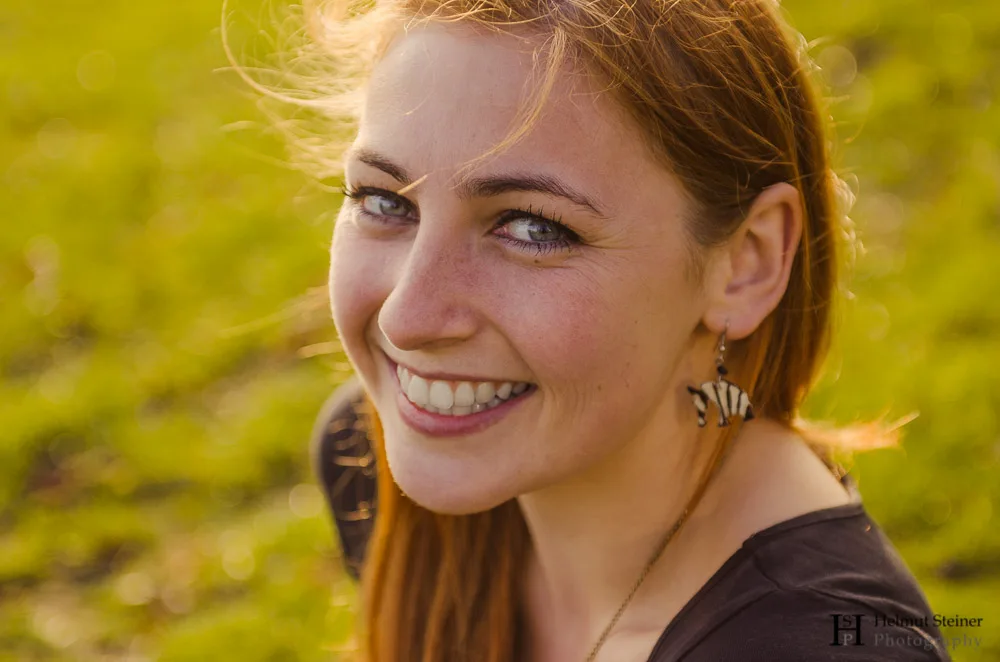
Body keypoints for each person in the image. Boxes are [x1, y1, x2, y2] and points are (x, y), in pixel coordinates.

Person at [240, 0, 951, 659]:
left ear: (745, 264)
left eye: (530, 227)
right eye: (382, 200)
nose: (409, 317)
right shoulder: (371, 462)